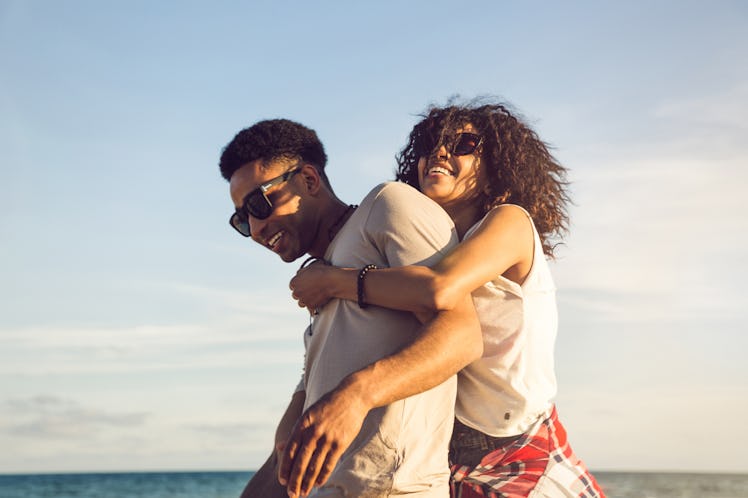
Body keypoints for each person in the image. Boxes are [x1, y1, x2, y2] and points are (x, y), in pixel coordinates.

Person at [290, 100, 607, 497]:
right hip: (454, 462)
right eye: (429, 144)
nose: (439, 152)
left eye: (464, 145)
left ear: (498, 168)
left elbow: (440, 288)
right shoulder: (422, 247)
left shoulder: (509, 222)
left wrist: (332, 281)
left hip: (518, 447)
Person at [218, 118, 483, 498]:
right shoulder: (321, 274)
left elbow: (463, 335)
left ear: (308, 180)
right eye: (243, 219)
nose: (256, 228)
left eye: (260, 203)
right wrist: (294, 418)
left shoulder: (386, 206)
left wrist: (355, 396)